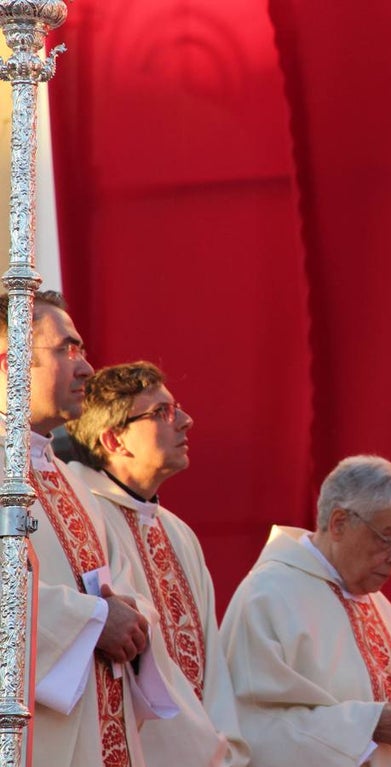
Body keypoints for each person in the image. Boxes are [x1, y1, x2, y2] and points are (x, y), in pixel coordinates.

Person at [220, 455, 391, 767]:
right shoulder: (267, 596)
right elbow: (251, 727)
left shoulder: (378, 604)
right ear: (339, 523)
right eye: (388, 538)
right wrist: (367, 725)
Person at [65, 361, 250, 767]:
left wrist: (225, 748)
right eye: (161, 413)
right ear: (114, 440)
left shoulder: (179, 533)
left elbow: (212, 662)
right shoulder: (80, 515)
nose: (185, 421)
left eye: (177, 408)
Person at [0, 290, 154, 766]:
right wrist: (92, 621)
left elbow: (121, 588)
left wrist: (123, 614)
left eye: (82, 350)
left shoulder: (69, 479)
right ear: (11, 361)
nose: (87, 368)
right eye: (67, 350)